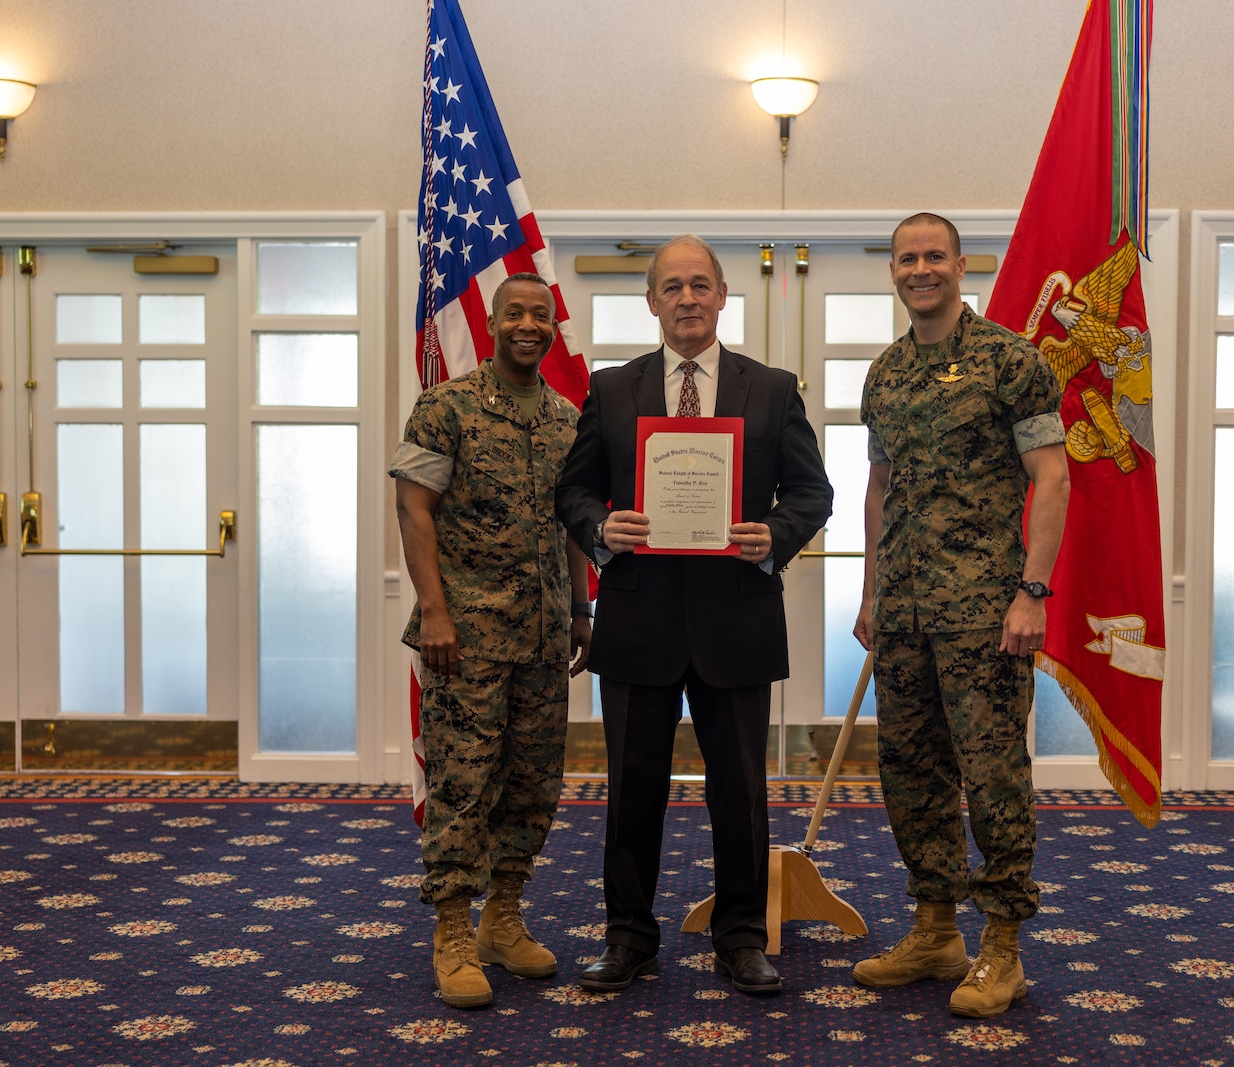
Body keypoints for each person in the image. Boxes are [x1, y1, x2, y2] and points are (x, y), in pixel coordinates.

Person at [556, 235, 833, 996]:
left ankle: (742, 936)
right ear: (651, 301)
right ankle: (628, 937)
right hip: (639, 620)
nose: (687, 298)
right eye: (672, 286)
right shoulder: (613, 389)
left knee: (739, 791)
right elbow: (573, 492)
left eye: (700, 285)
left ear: (721, 297)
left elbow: (814, 494)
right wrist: (598, 531)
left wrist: (774, 534)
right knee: (631, 788)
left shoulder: (772, 390)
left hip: (736, 621)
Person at [851, 213, 1070, 1018]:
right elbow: (881, 487)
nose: (919, 269)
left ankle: (1003, 946)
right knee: (911, 776)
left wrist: (1032, 591)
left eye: (933, 255)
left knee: (993, 780)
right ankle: (935, 929)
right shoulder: (884, 374)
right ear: (894, 271)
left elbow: (1052, 478)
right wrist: (871, 590)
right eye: (906, 258)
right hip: (904, 613)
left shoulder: (1013, 360)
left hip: (987, 613)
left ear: (960, 264)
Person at [390, 272, 593, 1009]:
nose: (530, 325)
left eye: (542, 314)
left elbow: (574, 523)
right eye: (517, 313)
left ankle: (503, 918)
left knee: (534, 783)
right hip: (466, 639)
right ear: (494, 321)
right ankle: (451, 929)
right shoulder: (446, 407)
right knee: (463, 783)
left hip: (542, 639)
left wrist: (581, 610)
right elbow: (414, 510)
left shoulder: (569, 419)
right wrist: (435, 612)